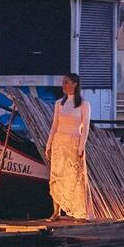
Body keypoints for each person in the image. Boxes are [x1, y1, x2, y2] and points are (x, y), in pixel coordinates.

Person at [44, 72, 91, 220]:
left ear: (74, 84)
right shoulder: (59, 103)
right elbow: (54, 125)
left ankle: (81, 210)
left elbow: (86, 128)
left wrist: (81, 147)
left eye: (66, 82)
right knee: (57, 175)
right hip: (59, 141)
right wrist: (49, 145)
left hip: (74, 141)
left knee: (76, 177)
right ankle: (56, 211)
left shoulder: (83, 104)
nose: (63, 85)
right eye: (63, 82)